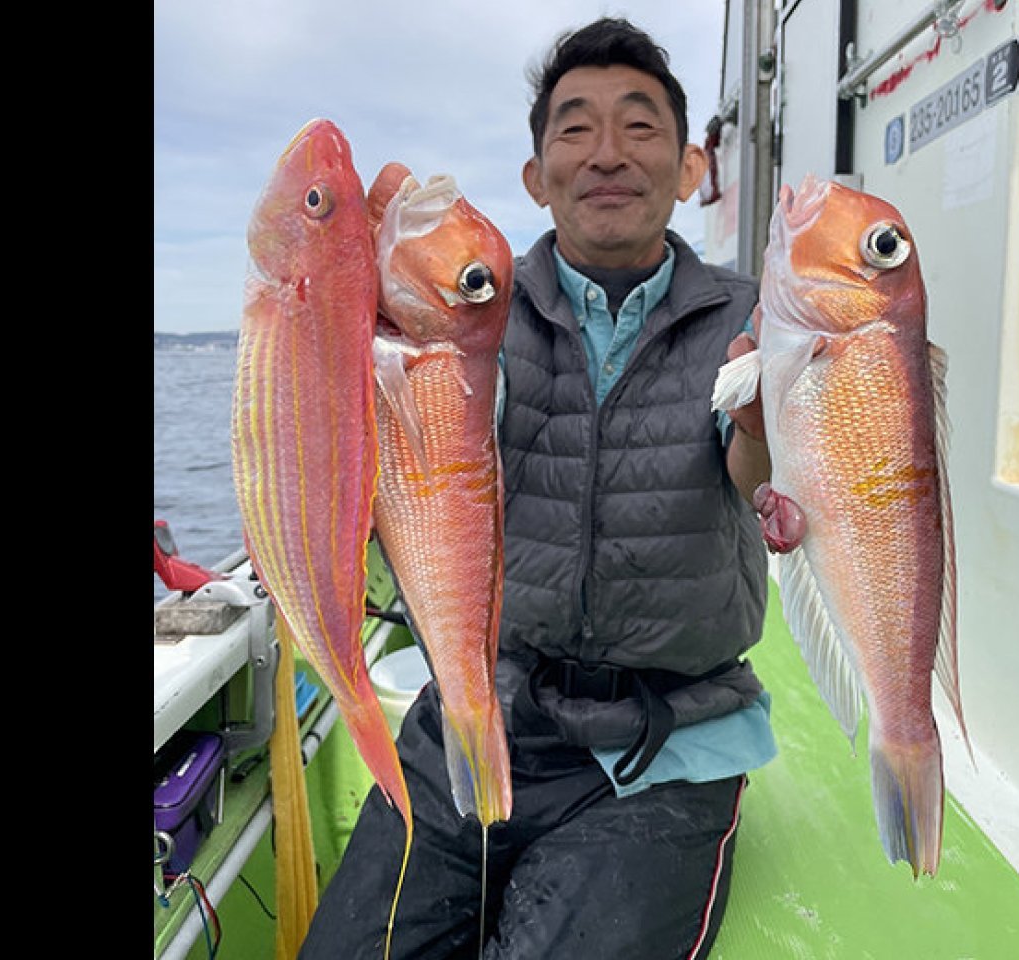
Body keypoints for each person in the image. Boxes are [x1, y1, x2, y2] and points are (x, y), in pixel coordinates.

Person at [299, 18, 775, 960]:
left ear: (687, 170)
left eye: (640, 128)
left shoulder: (748, 312)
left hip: (660, 744)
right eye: (574, 129)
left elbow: (755, 470)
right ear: (534, 176)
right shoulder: (472, 304)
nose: (607, 154)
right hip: (483, 708)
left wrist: (765, 420)